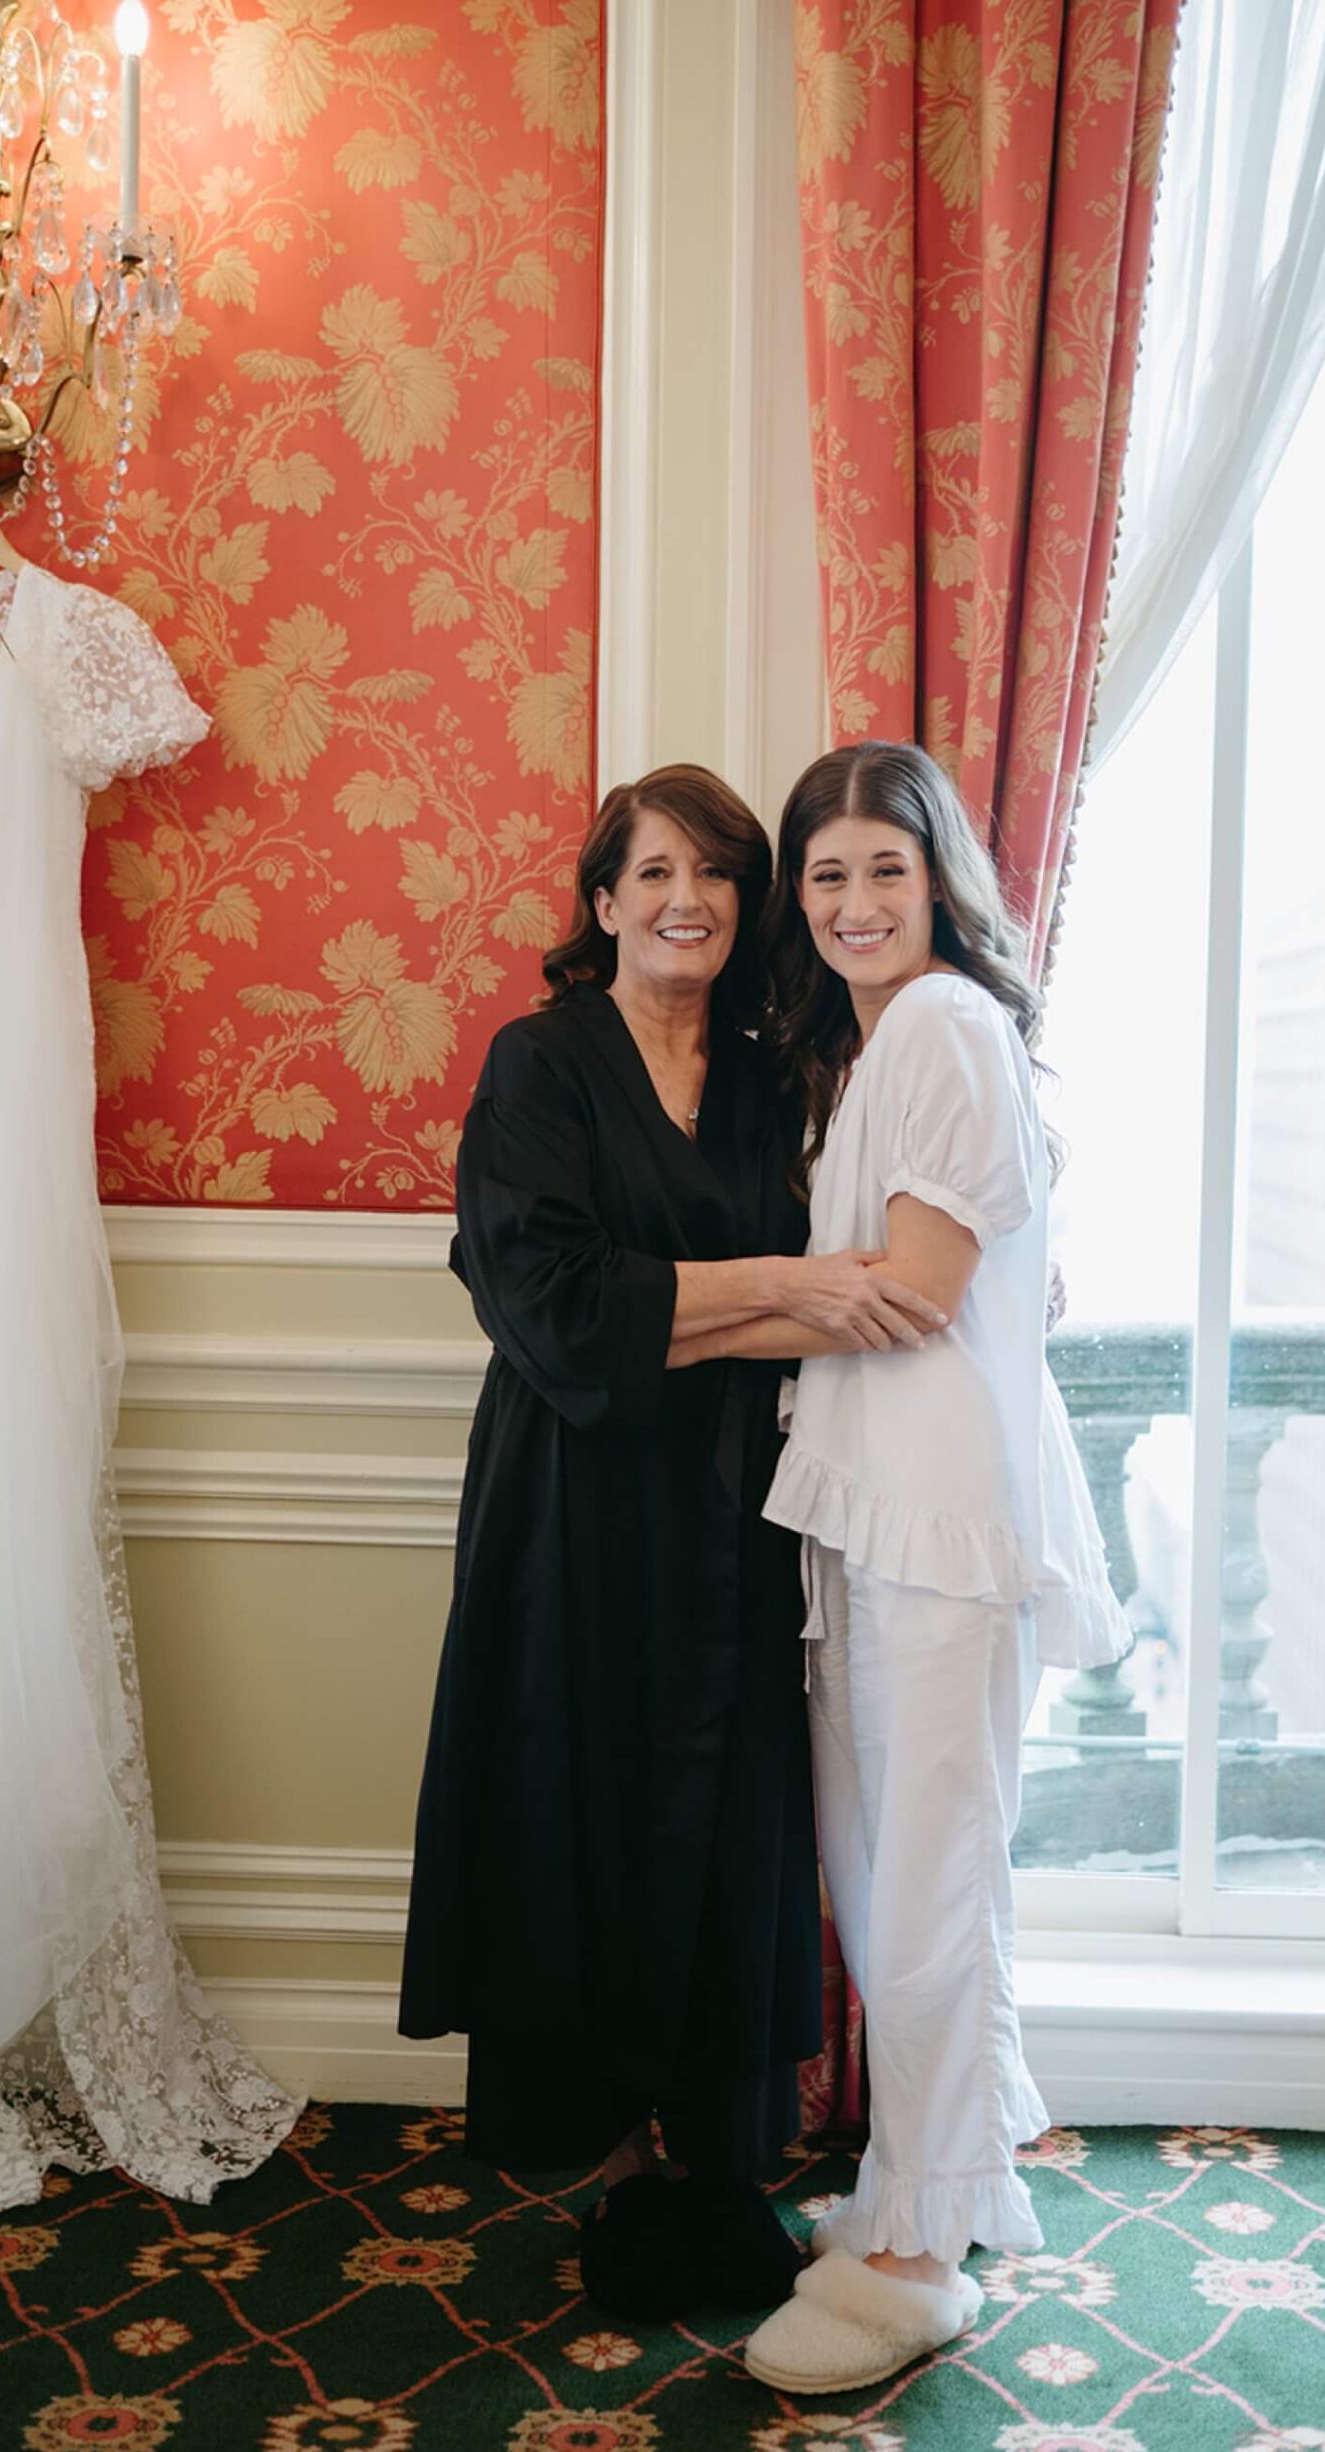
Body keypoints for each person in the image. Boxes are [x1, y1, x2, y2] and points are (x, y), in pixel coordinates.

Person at [398, 764, 946, 2323]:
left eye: (713, 875)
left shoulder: (786, 1072)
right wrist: (781, 1288)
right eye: (651, 875)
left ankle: (713, 2170)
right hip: (569, 1504)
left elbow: (865, 1279)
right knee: (575, 1798)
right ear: (602, 902)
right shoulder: (539, 1066)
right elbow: (552, 1308)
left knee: (726, 1817)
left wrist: (755, 1307)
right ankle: (607, 2172)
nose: (683, 901)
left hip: (741, 1503)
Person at [668, 741, 1132, 2390]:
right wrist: (800, 1286)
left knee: (924, 1882)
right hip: (872, 1496)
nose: (855, 903)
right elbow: (876, 1286)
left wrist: (688, 1312)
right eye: (825, 875)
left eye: (885, 869)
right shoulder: (867, 1049)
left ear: (938, 880)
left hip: (931, 1505)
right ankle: (907, 2191)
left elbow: (917, 1289)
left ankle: (923, 2249)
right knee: (885, 1876)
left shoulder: (941, 1023)